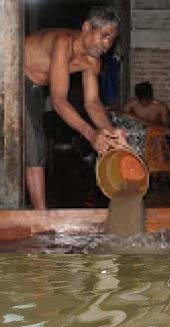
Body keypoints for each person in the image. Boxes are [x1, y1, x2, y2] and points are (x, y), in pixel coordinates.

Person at [24, 7, 128, 210]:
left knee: (35, 145)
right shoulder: (64, 43)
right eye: (103, 36)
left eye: (111, 40)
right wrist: (91, 134)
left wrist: (110, 132)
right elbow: (59, 100)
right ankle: (41, 217)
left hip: (33, 86)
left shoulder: (92, 62)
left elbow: (92, 103)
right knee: (35, 143)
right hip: (10, 71)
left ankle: (39, 215)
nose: (107, 44)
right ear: (87, 27)